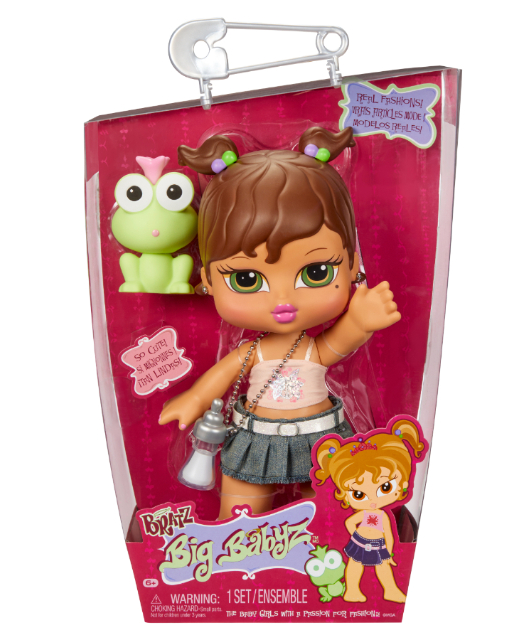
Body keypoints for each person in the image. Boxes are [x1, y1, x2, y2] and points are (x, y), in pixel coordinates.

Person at [159, 126, 401, 520]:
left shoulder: (309, 349)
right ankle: (237, 544)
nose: (283, 300)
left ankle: (331, 546)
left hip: (321, 439)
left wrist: (361, 321)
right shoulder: (252, 352)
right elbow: (220, 376)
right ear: (208, 281)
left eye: (317, 272)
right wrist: (194, 399)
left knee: (332, 510)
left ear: (352, 265)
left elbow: (336, 344)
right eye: (246, 279)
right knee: (241, 510)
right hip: (257, 438)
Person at [314, 419, 425, 603]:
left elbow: (388, 533)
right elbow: (350, 522)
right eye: (358, 494)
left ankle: (390, 590)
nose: (372, 500)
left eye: (385, 487)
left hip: (377, 542)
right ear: (344, 494)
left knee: (383, 566)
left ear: (403, 483)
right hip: (360, 540)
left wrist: (390, 550)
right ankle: (351, 590)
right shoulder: (367, 514)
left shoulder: (381, 515)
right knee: (355, 565)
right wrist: (355, 536)